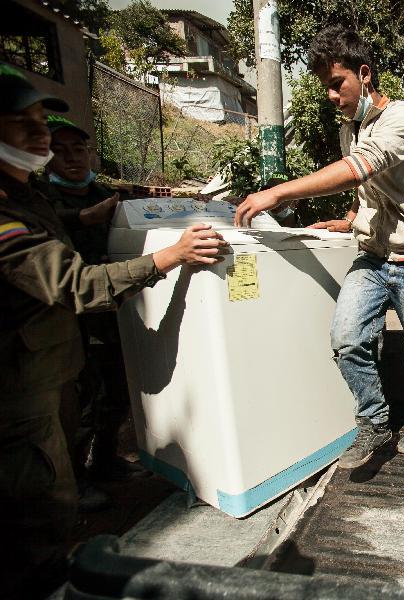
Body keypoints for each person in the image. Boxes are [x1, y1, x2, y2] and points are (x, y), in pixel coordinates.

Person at [0, 64, 227, 598]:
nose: (40, 136)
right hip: (18, 389)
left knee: (57, 472)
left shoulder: (27, 194)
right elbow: (74, 283)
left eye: (42, 123)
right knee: (36, 500)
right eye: (21, 124)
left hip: (51, 366)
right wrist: (170, 254)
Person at [233, 26, 404, 469]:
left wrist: (280, 193)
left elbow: (360, 168)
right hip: (372, 256)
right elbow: (367, 187)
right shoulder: (351, 130)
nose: (332, 95)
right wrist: (348, 219)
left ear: (364, 74)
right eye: (325, 87)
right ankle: (374, 422)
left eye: (337, 84)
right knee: (347, 339)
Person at [39, 115, 149, 508]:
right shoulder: (41, 200)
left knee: (117, 390)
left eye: (79, 149)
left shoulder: (106, 195)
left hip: (111, 309)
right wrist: (83, 219)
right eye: (60, 150)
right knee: (81, 400)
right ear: (46, 157)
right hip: (69, 317)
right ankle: (75, 479)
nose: (71, 158)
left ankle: (105, 461)